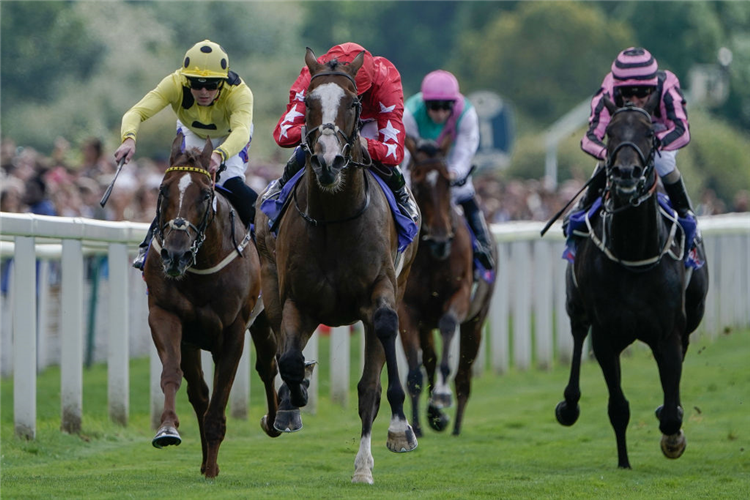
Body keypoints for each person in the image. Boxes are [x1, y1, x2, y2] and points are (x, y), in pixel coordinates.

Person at [114, 39, 258, 270]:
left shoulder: (240, 92)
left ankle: (264, 242)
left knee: (230, 183)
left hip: (231, 136)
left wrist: (220, 154)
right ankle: (149, 245)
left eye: (211, 85)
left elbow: (241, 130)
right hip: (192, 131)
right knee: (178, 184)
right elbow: (136, 112)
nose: (203, 91)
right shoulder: (173, 83)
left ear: (222, 82)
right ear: (185, 79)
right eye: (196, 84)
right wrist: (129, 138)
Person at [263, 42, 418, 223]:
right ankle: (281, 186)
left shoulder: (386, 78)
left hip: (369, 125)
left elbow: (394, 152)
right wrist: (318, 133)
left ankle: (402, 197)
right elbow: (283, 134)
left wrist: (365, 143)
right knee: (310, 146)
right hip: (327, 123)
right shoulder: (314, 74)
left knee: (380, 153)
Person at [575, 46, 695, 222]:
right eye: (627, 93)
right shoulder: (608, 90)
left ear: (652, 88)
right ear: (618, 89)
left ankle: (686, 215)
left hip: (658, 134)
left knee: (663, 160)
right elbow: (589, 138)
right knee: (607, 161)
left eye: (642, 92)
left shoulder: (667, 86)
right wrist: (606, 153)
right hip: (624, 138)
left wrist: (655, 142)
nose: (634, 100)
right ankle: (582, 208)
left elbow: (682, 132)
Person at [401, 70, 495, 270]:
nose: (440, 113)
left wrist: (455, 173)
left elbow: (465, 150)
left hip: (449, 158)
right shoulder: (408, 114)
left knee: (464, 191)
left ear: (454, 104)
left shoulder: (467, 114)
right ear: (425, 104)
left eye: (446, 107)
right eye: (434, 107)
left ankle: (483, 243)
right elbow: (406, 155)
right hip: (421, 161)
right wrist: (408, 182)